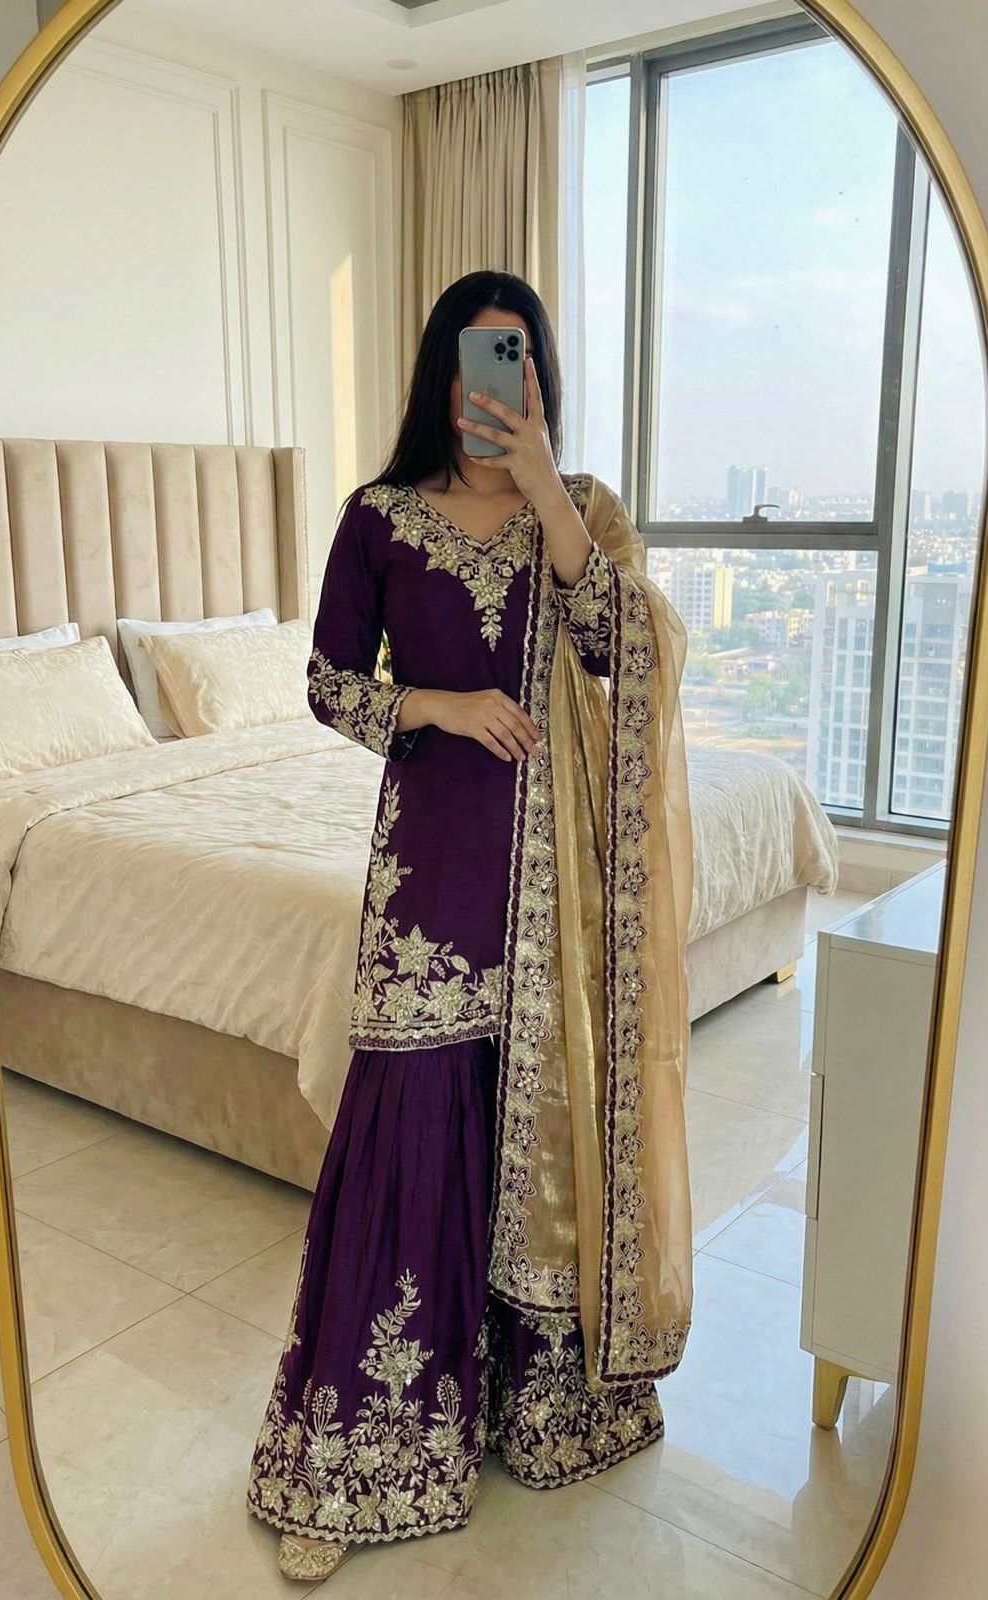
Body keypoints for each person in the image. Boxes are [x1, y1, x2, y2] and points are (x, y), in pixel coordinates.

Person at [246, 270, 695, 1583]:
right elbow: (330, 684)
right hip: (430, 884)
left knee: (534, 1138)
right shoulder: (378, 516)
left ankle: (525, 1406)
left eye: (523, 360)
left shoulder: (582, 510)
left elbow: (629, 655)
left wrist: (546, 488)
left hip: (559, 901)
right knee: (408, 1138)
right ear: (441, 374)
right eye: (479, 359)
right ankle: (356, 1458)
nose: (501, 384)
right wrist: (435, 705)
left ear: (540, 379)